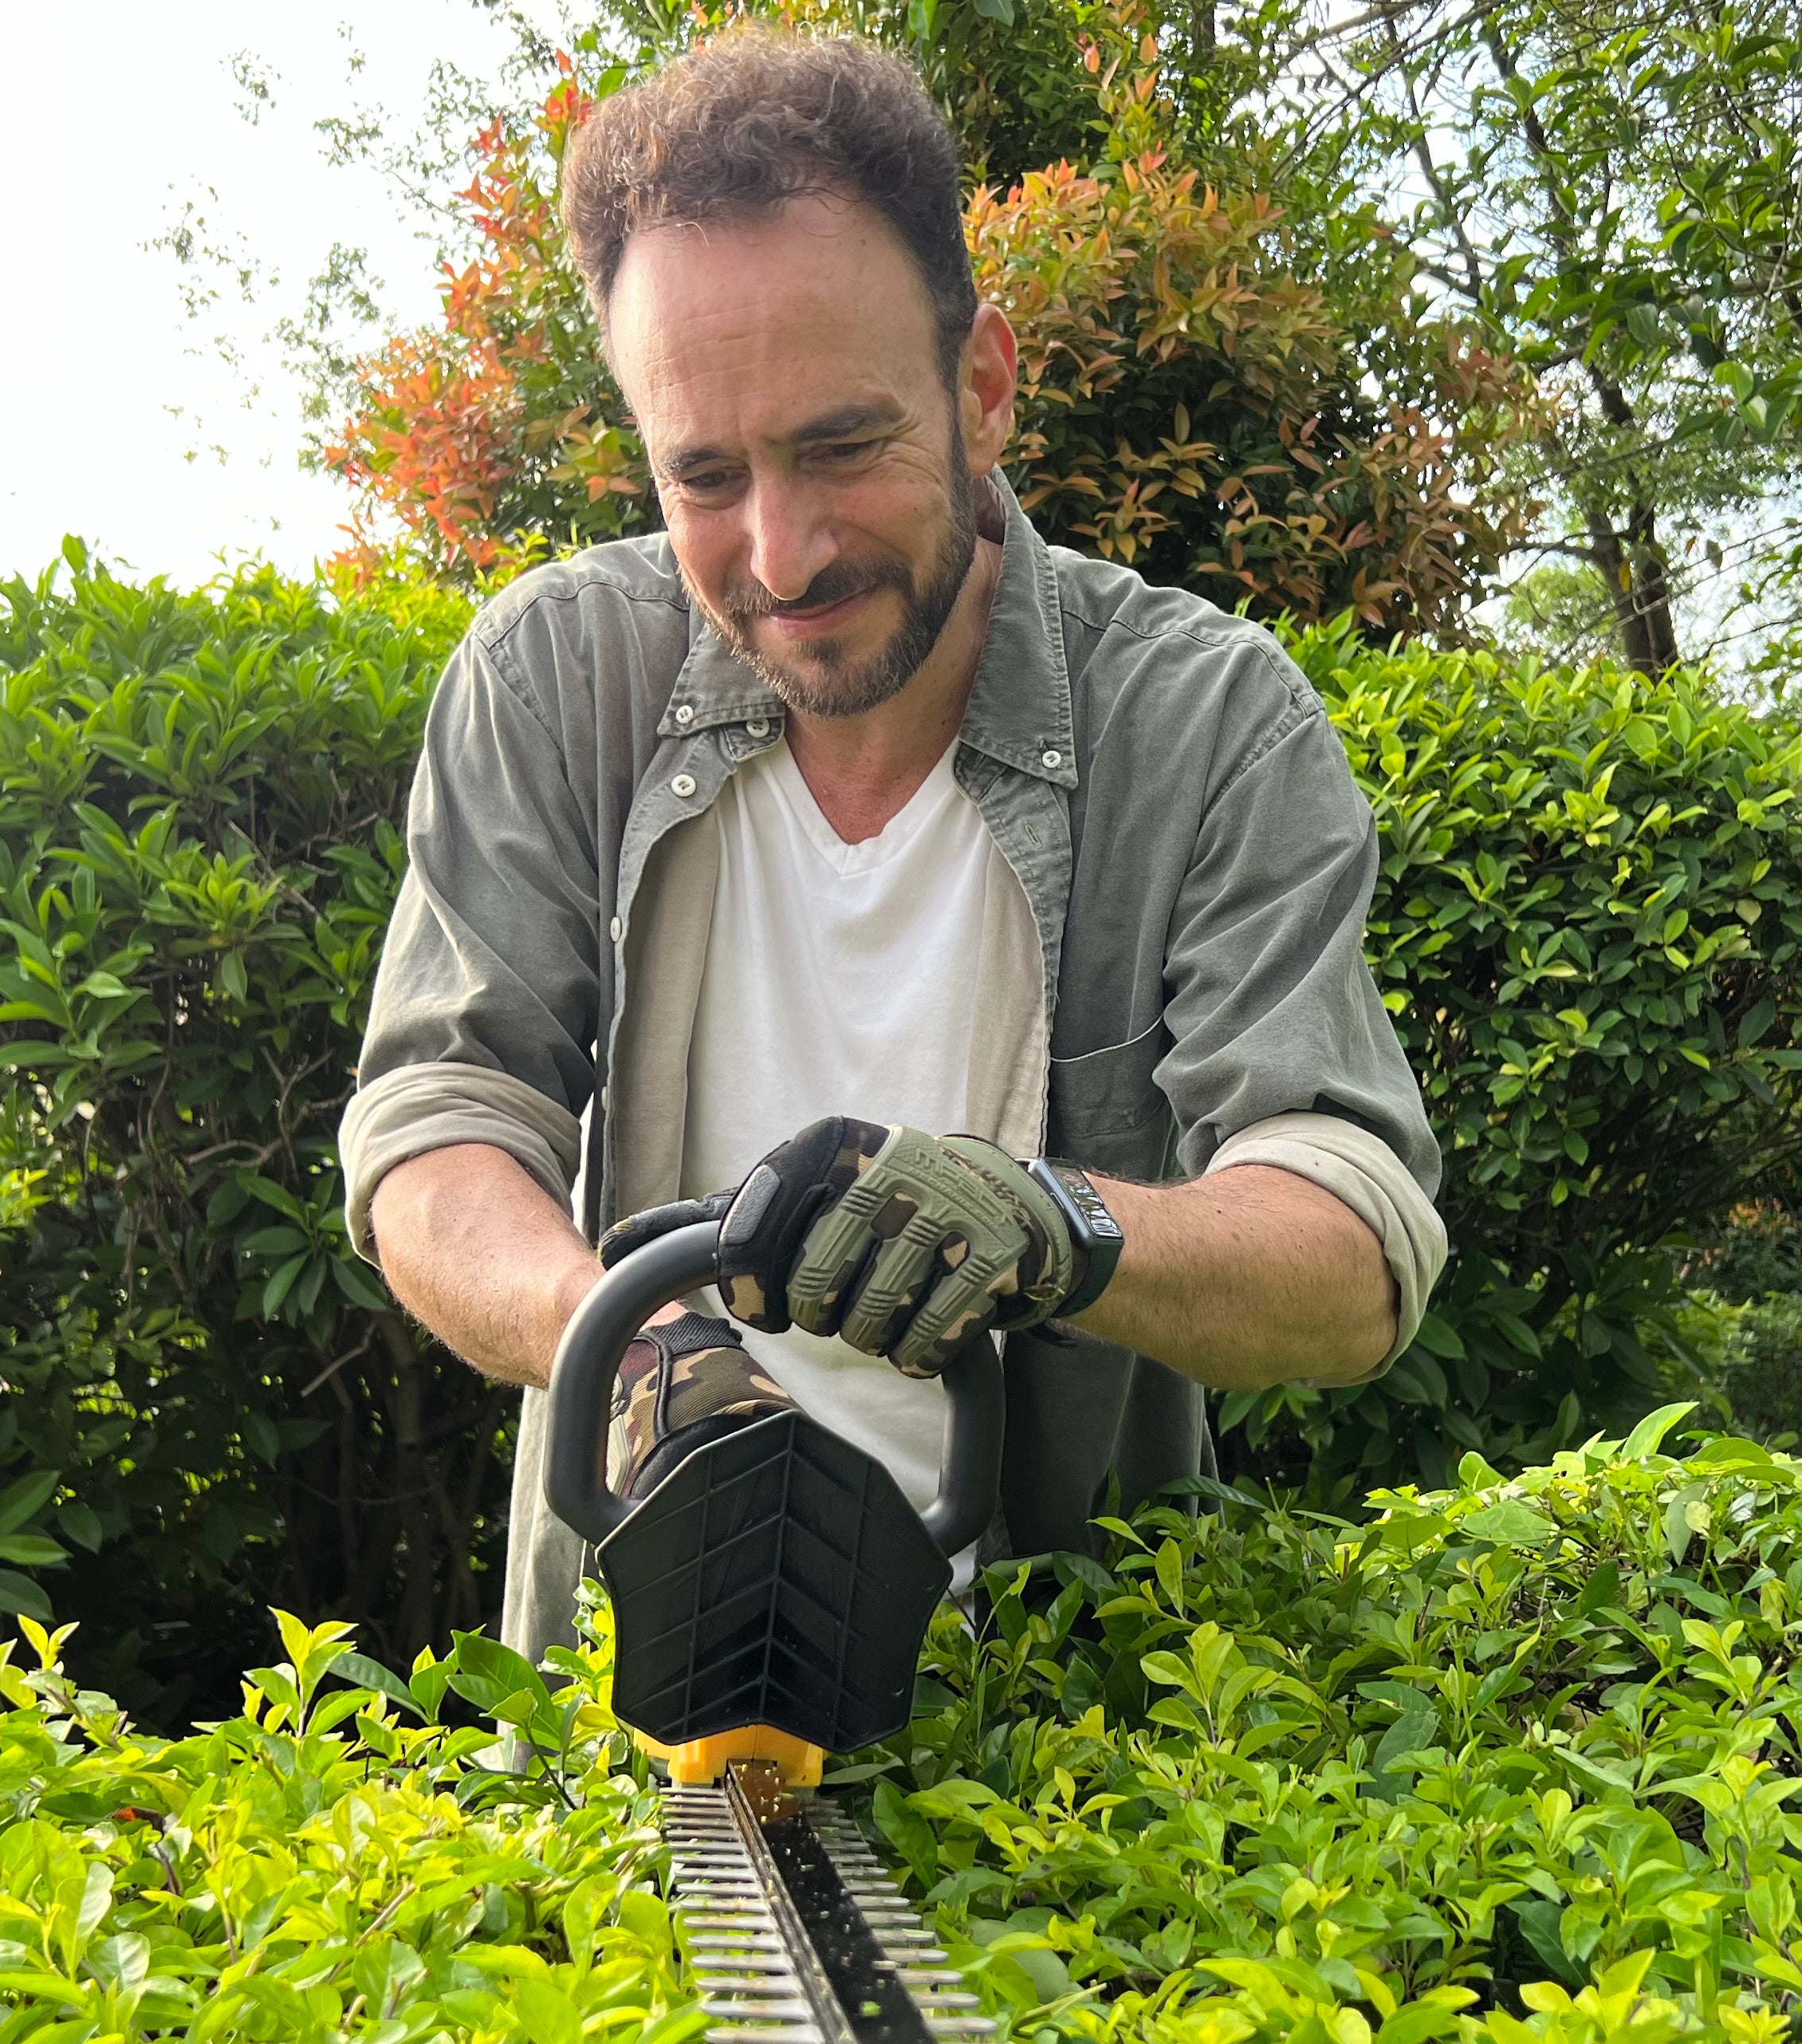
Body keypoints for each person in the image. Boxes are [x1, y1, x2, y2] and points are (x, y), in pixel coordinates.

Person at [340, 30, 1447, 1662]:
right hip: (634, 1676)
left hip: (1076, 1734)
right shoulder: (555, 676)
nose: (780, 554)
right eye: (704, 474)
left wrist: (1055, 1226)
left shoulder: (1209, 725)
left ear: (983, 384)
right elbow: (431, 1134)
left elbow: (1354, 1246)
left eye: (843, 444)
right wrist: (634, 1357)